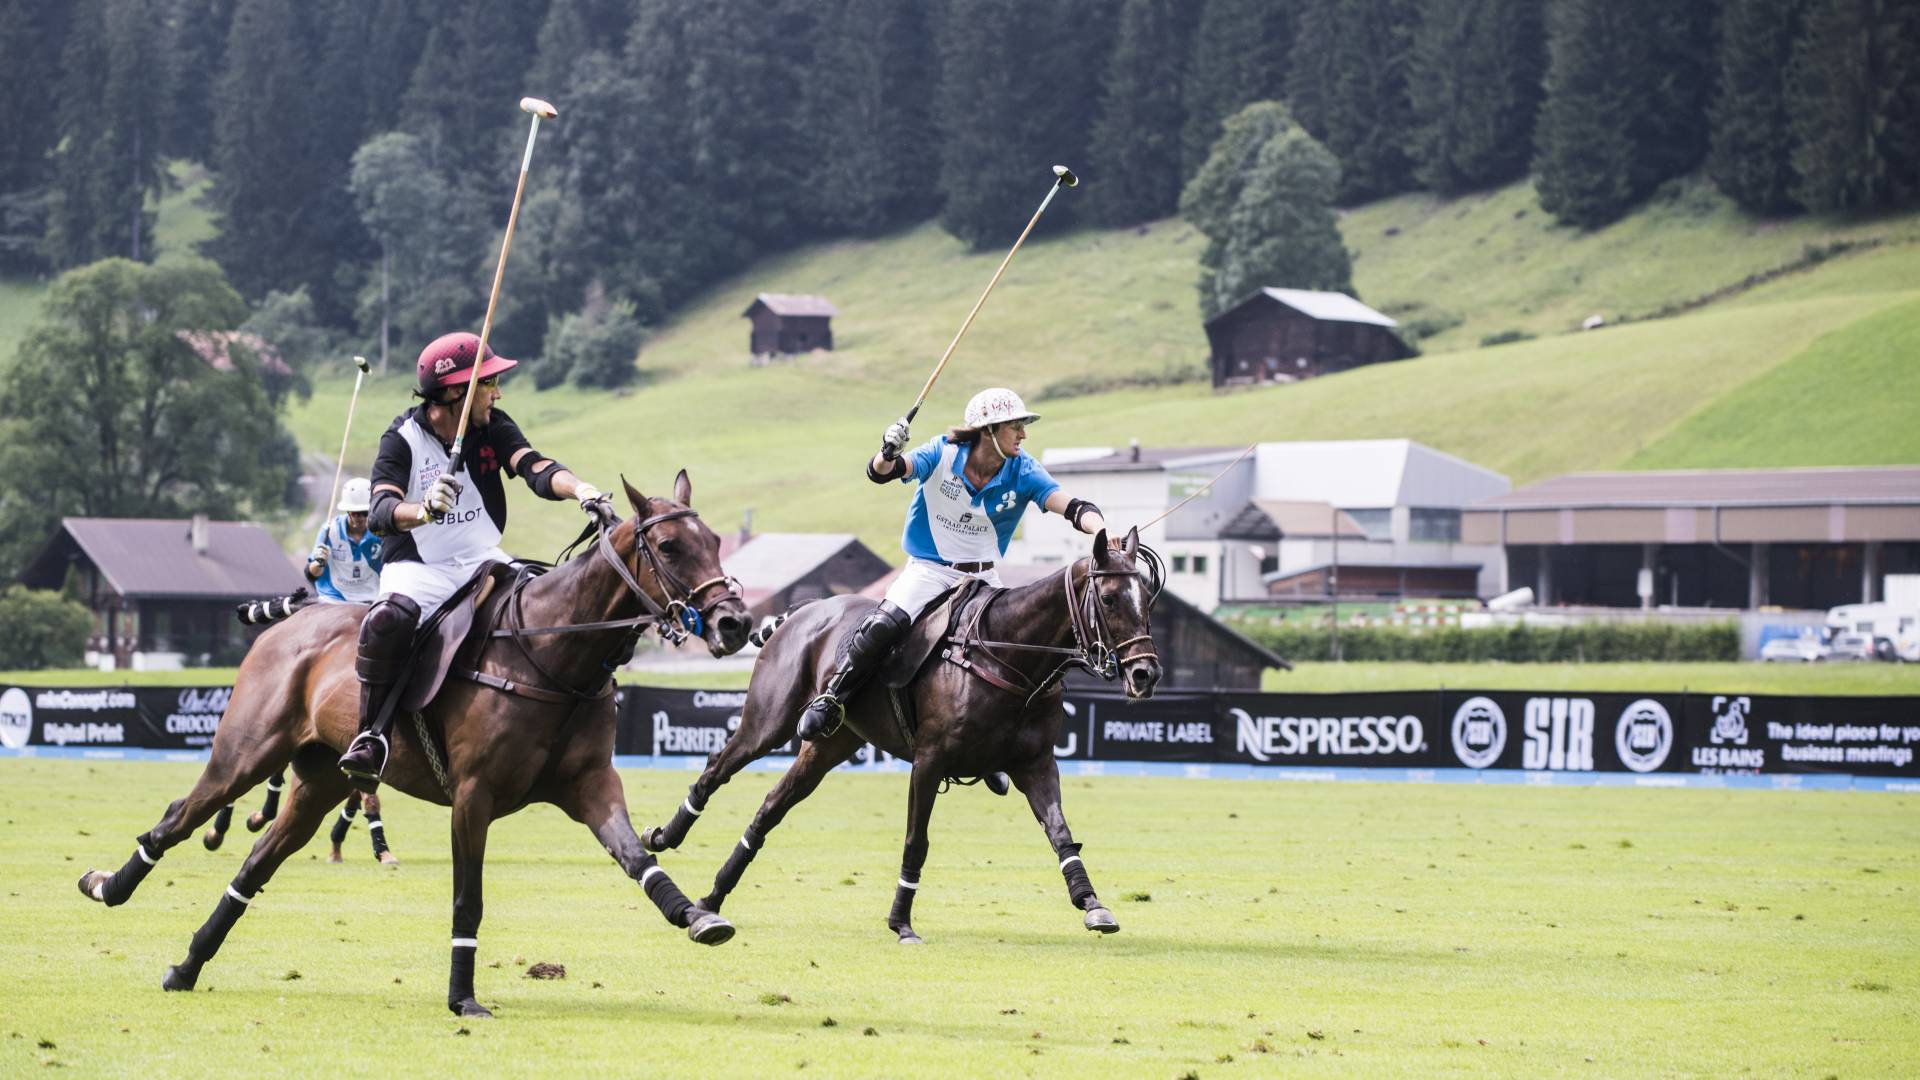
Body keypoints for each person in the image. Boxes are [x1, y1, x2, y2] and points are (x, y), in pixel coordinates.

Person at [337, 331, 610, 788]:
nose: (497, 392)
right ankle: (371, 736)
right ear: (453, 392)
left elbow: (534, 468)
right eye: (488, 383)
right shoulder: (401, 439)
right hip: (420, 567)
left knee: (546, 603)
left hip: (483, 559)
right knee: (388, 620)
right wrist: (422, 511)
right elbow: (382, 511)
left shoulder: (493, 427)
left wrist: (580, 489)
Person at [796, 387, 1108, 743]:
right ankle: (833, 696)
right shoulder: (941, 453)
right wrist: (887, 451)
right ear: (989, 430)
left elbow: (1071, 507)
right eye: (1015, 426)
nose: (1023, 434)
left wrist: (1100, 529)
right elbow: (882, 472)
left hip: (983, 578)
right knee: (884, 624)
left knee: (1011, 648)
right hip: (931, 570)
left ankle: (991, 743)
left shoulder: (1024, 470)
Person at [305, 477, 383, 603]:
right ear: (347, 511)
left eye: (365, 512)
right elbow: (311, 574)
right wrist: (319, 563)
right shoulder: (329, 531)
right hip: (334, 598)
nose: (361, 518)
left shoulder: (381, 531)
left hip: (373, 597)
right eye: (356, 513)